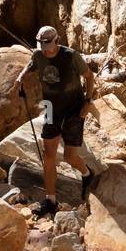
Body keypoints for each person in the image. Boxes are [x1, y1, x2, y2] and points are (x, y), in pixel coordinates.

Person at [18, 25, 95, 215]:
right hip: (51, 108)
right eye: (41, 45)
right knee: (49, 154)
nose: (44, 49)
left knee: (70, 157)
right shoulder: (38, 55)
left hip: (74, 110)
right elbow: (31, 64)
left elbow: (89, 76)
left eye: (48, 45)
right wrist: (21, 76)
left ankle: (87, 173)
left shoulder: (71, 56)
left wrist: (88, 101)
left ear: (57, 41)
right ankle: (50, 201)